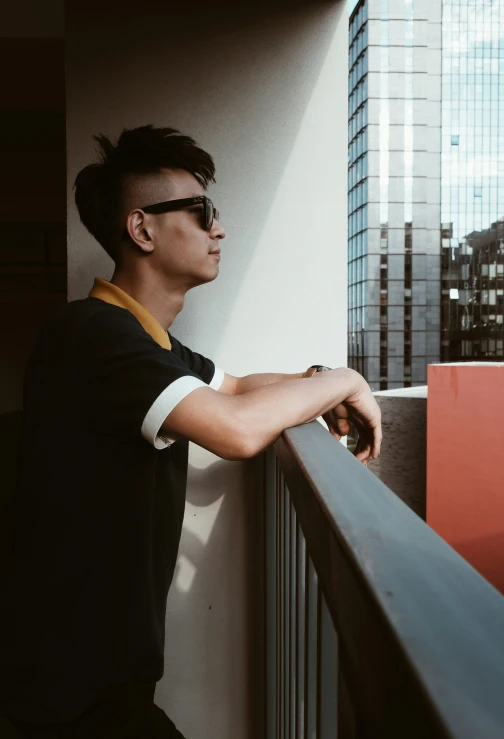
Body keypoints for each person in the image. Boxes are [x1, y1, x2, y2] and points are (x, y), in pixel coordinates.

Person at [0, 125, 382, 738]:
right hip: (67, 696)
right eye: (202, 213)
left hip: (96, 683)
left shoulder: (146, 343)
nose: (219, 229)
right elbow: (232, 429)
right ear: (142, 228)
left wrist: (314, 378)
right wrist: (344, 381)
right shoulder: (92, 335)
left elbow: (231, 389)